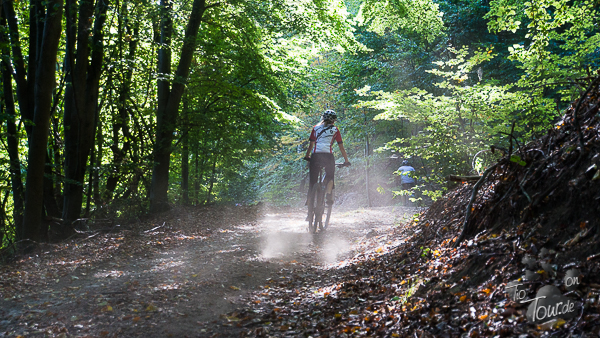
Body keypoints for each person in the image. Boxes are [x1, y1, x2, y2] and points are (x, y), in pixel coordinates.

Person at [303, 109, 351, 206]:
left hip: (316, 155)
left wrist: (307, 156)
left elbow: (311, 144)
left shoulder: (315, 128)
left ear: (323, 118)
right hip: (328, 156)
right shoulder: (335, 130)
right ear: (334, 120)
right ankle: (329, 195)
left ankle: (309, 201)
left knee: (313, 180)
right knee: (330, 175)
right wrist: (346, 160)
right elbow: (341, 147)